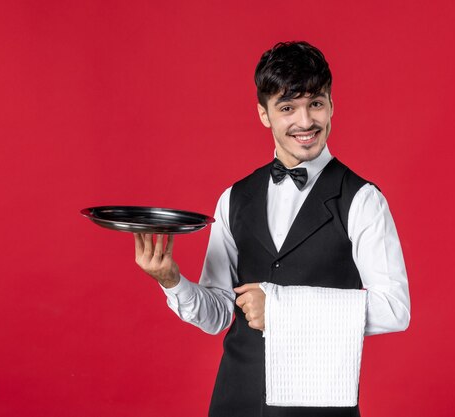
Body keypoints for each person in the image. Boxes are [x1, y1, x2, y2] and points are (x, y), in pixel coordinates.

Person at [133, 41, 410, 417]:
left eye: (316, 103)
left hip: (319, 407)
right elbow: (217, 315)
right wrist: (171, 280)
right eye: (287, 108)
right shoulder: (234, 198)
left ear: (332, 105)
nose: (305, 122)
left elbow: (395, 309)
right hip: (236, 399)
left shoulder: (362, 200)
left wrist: (280, 308)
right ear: (264, 114)